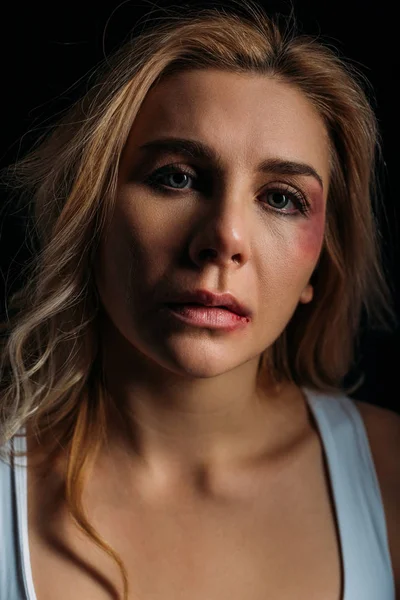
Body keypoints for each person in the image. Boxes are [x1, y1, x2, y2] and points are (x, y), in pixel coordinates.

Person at [0, 1, 399, 599]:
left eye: (283, 199)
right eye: (177, 178)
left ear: (321, 261)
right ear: (93, 217)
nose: (224, 239)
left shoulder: (393, 474)